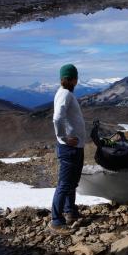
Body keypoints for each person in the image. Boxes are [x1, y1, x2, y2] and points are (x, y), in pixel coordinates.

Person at [49, 64, 86, 234]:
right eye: (75, 78)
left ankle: (70, 212)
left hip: (75, 147)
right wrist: (63, 138)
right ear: (72, 79)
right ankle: (56, 221)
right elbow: (57, 118)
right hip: (69, 148)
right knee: (64, 184)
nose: (76, 81)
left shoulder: (65, 93)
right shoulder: (65, 94)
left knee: (72, 182)